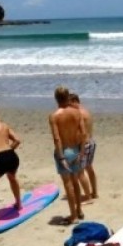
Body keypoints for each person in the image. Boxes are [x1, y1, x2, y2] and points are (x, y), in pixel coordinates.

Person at [49, 85, 87, 224]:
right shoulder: (77, 113)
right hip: (76, 149)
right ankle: (79, 210)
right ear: (67, 96)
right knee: (75, 181)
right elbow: (83, 133)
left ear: (56, 98)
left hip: (64, 150)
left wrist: (61, 157)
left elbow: (57, 138)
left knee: (68, 184)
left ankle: (73, 215)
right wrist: (82, 152)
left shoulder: (54, 116)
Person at [69, 92, 98, 203]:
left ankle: (88, 197)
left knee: (80, 171)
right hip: (91, 142)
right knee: (89, 168)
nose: (69, 107)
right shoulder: (86, 111)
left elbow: (81, 133)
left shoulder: (79, 114)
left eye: (70, 104)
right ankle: (94, 192)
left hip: (84, 145)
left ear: (75, 101)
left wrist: (79, 149)